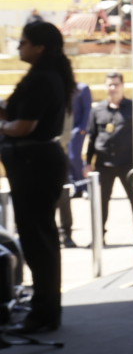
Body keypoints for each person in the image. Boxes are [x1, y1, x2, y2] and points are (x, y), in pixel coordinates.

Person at [1, 21, 73, 334]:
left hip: (34, 163)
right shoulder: (46, 76)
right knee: (39, 238)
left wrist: (3, 128)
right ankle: (45, 309)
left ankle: (44, 314)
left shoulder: (43, 79)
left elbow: (23, 125)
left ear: (39, 46)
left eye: (24, 42)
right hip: (36, 162)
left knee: (38, 239)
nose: (19, 47)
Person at [86, 70, 133, 240]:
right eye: (110, 85)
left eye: (116, 84)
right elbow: (92, 138)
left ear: (122, 86)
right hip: (104, 164)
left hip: (128, 164)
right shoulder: (97, 110)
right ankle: (99, 237)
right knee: (100, 203)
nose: (113, 88)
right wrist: (87, 162)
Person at [57, 77, 92, 246]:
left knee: (63, 197)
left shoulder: (78, 89)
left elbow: (81, 114)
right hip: (45, 151)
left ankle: (66, 234)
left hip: (61, 146)